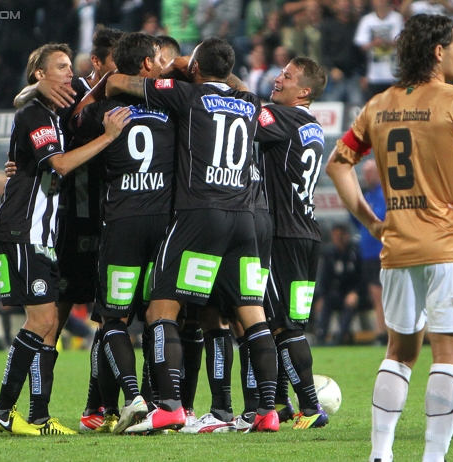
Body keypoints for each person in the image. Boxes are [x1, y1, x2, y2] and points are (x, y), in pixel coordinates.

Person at [326, 14, 453, 462]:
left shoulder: (378, 104)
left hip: (397, 248)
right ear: (438, 51)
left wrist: (370, 222)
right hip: (451, 245)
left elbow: (338, 163)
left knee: (399, 352)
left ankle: (381, 453)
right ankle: (432, 457)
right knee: (448, 355)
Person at [107, 37, 280, 434]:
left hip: (200, 216)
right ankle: (267, 411)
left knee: (160, 309)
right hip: (244, 220)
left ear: (196, 69)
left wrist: (180, 67)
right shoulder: (251, 103)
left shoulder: (189, 96)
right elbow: (235, 83)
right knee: (252, 316)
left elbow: (120, 84)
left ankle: (168, 406)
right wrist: (208, 65)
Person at [0, 42, 130, 436]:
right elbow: (62, 164)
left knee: (47, 325)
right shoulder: (35, 112)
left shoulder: (48, 114)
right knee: (44, 320)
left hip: (40, 234)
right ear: (40, 75)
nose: (70, 72)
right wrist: (108, 136)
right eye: (62, 67)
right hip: (21, 230)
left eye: (71, 66)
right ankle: (3, 410)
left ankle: (36, 415)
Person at [73, 31, 174, 435]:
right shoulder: (172, 108)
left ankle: (131, 398)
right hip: (165, 226)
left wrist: (105, 82)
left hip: (121, 224)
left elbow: (77, 116)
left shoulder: (104, 112)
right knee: (157, 317)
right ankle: (156, 403)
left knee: (113, 318)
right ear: (147, 65)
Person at [254, 56, 329, 429]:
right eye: (279, 71)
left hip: (281, 233)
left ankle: (311, 407)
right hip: (307, 233)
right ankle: (281, 403)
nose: (277, 78)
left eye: (287, 76)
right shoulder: (312, 126)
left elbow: (245, 119)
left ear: (304, 92)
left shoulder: (281, 118)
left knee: (282, 325)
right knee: (283, 320)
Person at [352, 159, 387, 345]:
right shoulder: (368, 196)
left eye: (370, 172)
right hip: (368, 254)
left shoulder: (383, 196)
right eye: (364, 172)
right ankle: (382, 332)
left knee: (388, 295)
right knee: (376, 296)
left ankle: (392, 333)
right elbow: (358, 222)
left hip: (383, 251)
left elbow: (379, 221)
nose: (366, 176)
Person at [315, 224, 363, 346]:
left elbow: (362, 277)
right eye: (335, 236)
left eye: (341, 235)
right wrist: (321, 296)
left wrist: (355, 292)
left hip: (354, 294)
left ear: (347, 236)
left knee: (350, 303)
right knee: (327, 301)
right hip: (336, 294)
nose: (338, 239)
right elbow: (324, 278)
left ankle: (341, 337)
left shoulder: (355, 253)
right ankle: (321, 336)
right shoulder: (329, 254)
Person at [353, 0, 404, 100]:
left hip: (394, 75)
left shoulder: (397, 18)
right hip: (373, 76)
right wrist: (373, 44)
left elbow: (400, 41)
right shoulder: (367, 20)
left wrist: (384, 42)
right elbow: (361, 45)